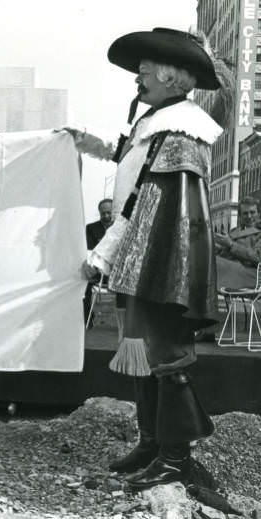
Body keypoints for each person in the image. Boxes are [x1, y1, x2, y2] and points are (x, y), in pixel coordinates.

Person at [65, 27, 233, 490]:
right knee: (141, 356)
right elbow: (129, 163)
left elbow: (146, 206)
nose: (138, 73)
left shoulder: (180, 131)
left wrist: (103, 254)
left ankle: (175, 458)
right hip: (146, 266)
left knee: (164, 360)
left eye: (147, 67)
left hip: (161, 266)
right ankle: (152, 442)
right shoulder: (157, 121)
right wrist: (85, 138)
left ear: (172, 78)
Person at [214, 197, 261, 288]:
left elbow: (257, 257)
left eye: (252, 212)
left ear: (259, 214)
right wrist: (219, 249)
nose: (249, 216)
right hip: (232, 269)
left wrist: (231, 245)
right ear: (240, 216)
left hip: (251, 275)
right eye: (245, 213)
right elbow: (226, 254)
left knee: (212, 263)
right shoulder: (234, 231)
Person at [84, 199, 113, 327]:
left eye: (109, 212)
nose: (106, 216)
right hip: (98, 270)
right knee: (84, 283)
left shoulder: (121, 226)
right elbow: (90, 251)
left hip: (116, 272)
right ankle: (86, 320)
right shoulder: (91, 228)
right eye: (103, 213)